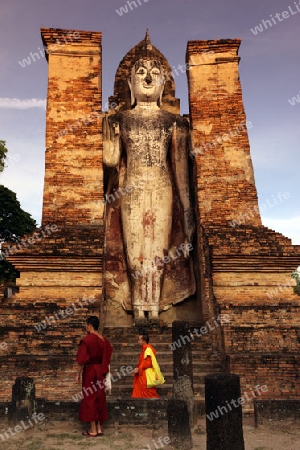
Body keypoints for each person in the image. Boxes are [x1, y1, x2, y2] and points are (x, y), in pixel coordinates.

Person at [103, 56, 194, 321]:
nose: (147, 78)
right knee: (134, 250)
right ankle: (137, 307)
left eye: (155, 73)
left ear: (164, 83)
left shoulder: (174, 123)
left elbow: (180, 172)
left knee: (157, 251)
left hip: (163, 188)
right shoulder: (120, 119)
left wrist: (187, 213)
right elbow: (111, 161)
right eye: (140, 72)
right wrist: (109, 136)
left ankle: (154, 308)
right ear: (130, 83)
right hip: (131, 189)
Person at [76, 316, 113, 437]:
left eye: (87, 325)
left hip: (90, 371)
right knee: (99, 397)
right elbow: (108, 356)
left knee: (90, 398)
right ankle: (99, 427)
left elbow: (81, 360)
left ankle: (92, 430)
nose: (86, 328)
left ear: (90, 326)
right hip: (100, 371)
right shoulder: (104, 340)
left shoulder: (87, 340)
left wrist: (78, 374)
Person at [132, 332, 160, 398]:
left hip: (146, 376)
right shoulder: (145, 349)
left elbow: (149, 363)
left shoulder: (148, 350)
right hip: (143, 375)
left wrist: (138, 369)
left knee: (147, 394)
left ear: (144, 341)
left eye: (139, 340)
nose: (138, 341)